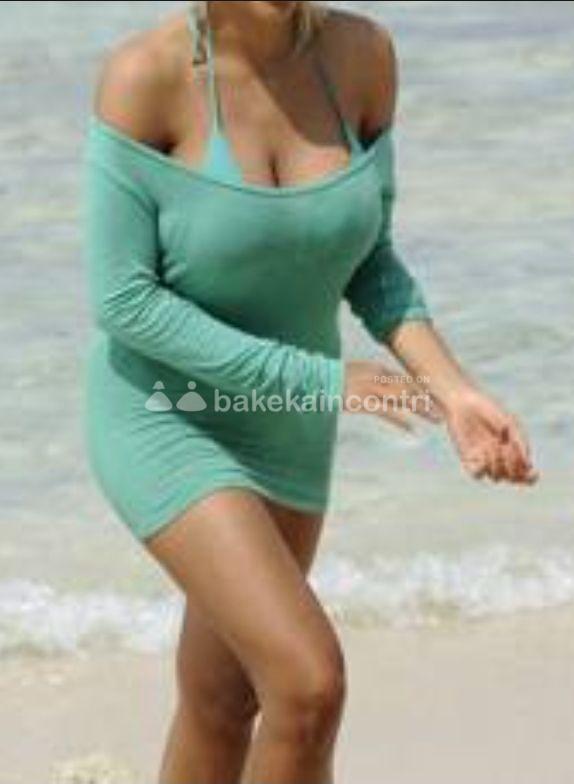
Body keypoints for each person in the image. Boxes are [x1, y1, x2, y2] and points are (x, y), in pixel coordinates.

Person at [82, 2, 538, 781]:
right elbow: (125, 302)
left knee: (222, 700)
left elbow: (368, 260)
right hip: (167, 414)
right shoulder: (144, 77)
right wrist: (320, 381)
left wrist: (454, 392)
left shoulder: (363, 57)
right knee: (307, 685)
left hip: (288, 425)